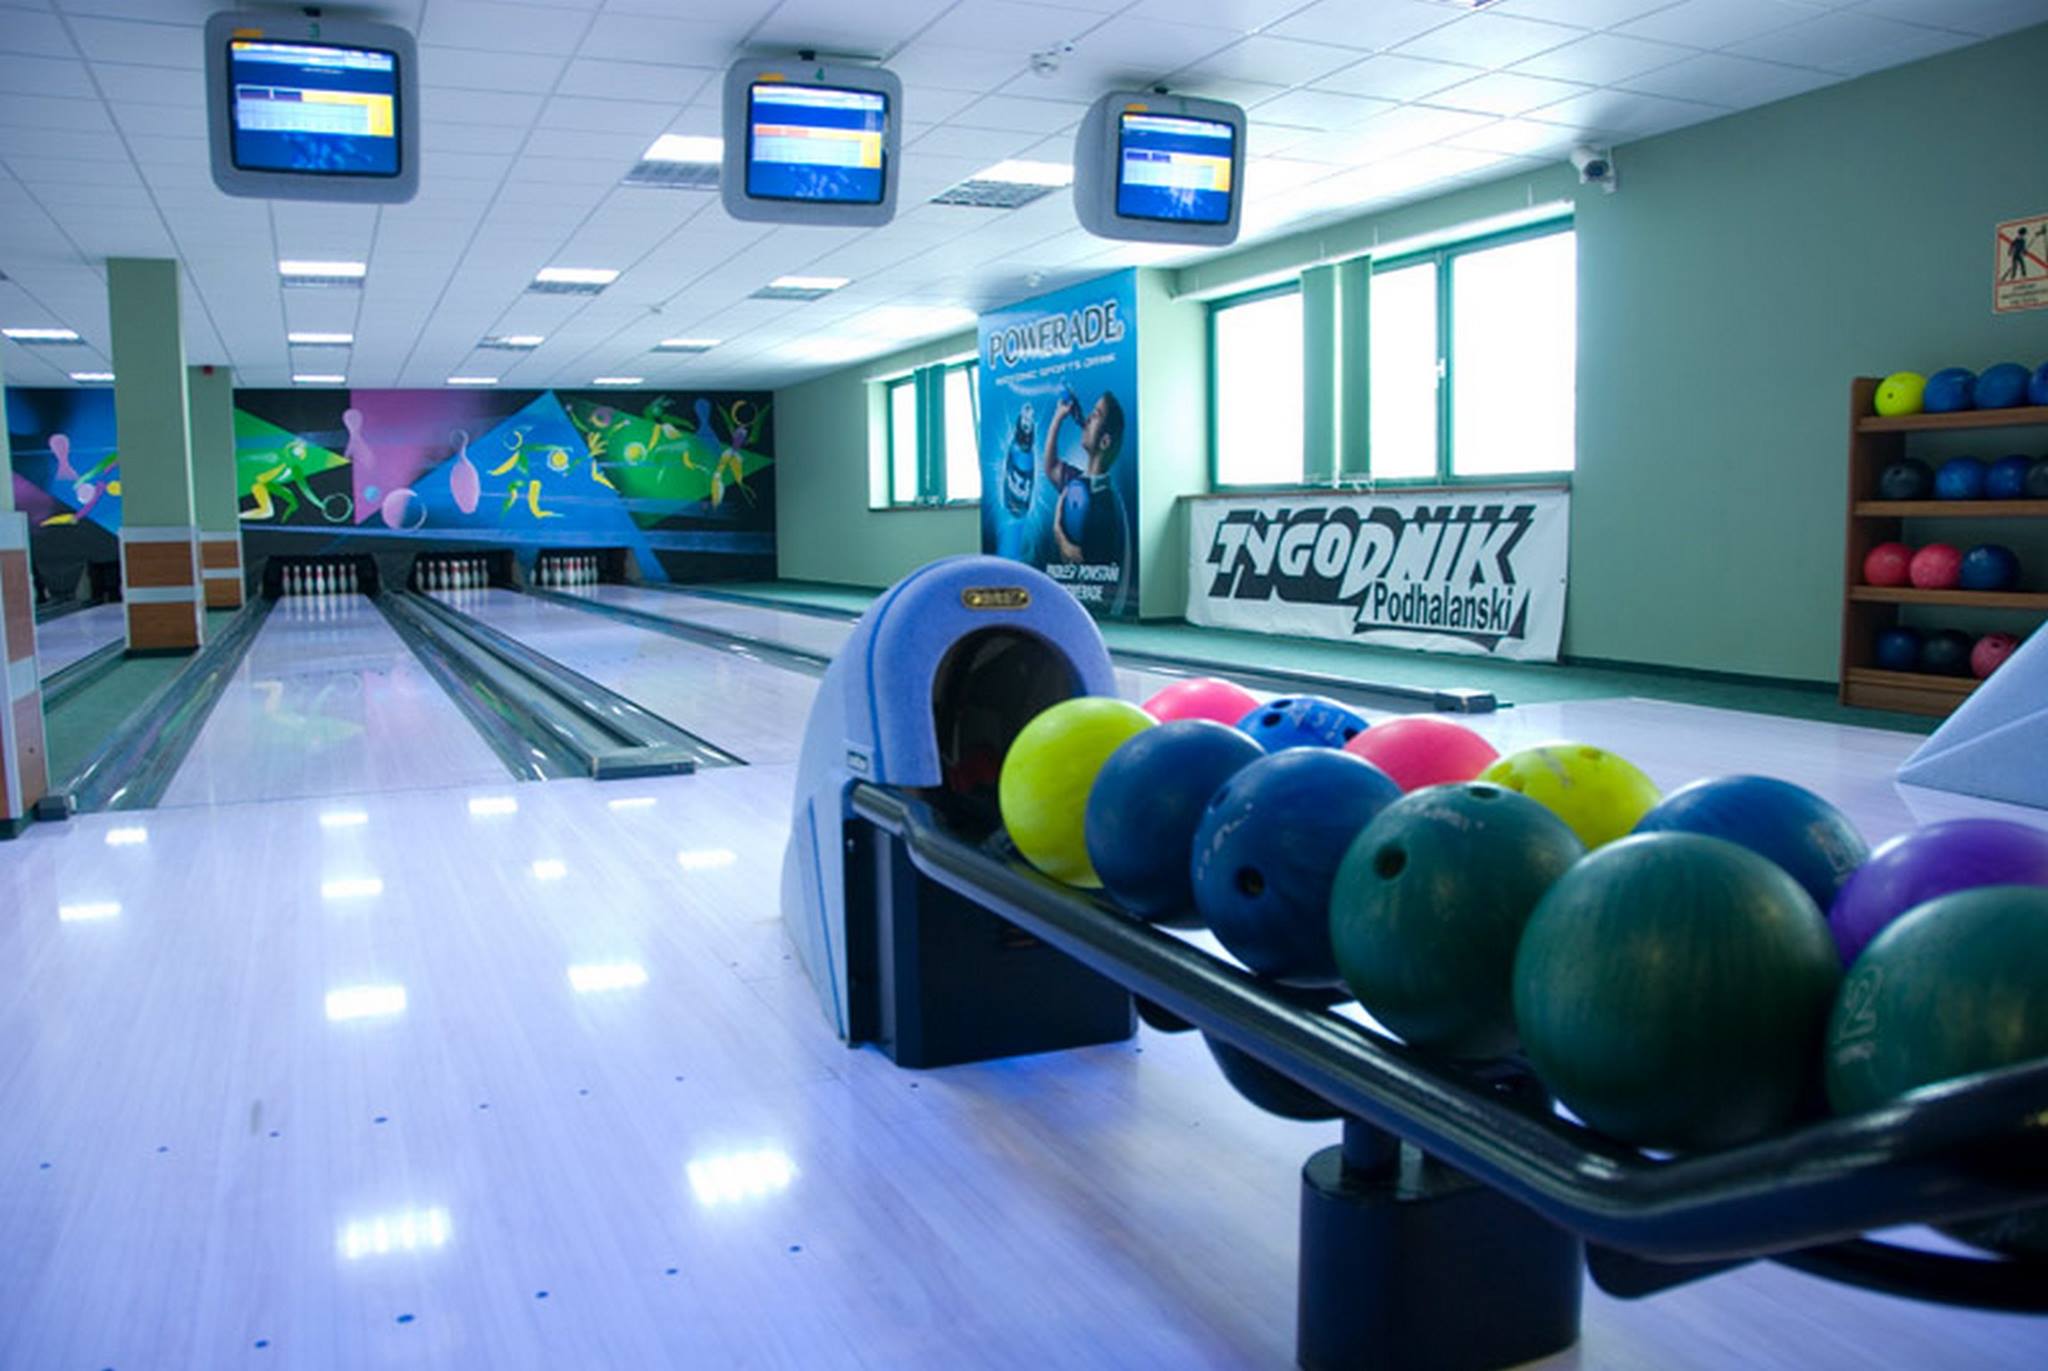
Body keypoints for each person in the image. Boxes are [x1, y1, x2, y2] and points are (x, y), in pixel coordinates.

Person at [1041, 386, 1126, 566]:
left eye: (1095, 415)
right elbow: (1050, 467)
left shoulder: (1106, 504)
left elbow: (1085, 556)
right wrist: (1059, 417)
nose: (1087, 420)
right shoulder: (1078, 481)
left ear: (1104, 442)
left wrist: (1061, 536)